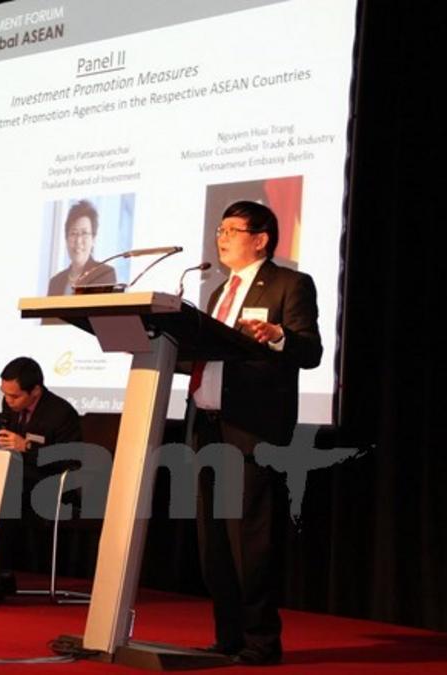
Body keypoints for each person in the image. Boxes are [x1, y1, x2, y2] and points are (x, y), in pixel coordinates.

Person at [187, 201, 322, 665]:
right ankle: (228, 637)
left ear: (261, 239)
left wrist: (278, 334)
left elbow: (310, 351)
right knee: (214, 544)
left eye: (232, 230)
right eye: (219, 229)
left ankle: (261, 641)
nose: (221, 237)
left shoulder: (290, 284)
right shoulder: (217, 291)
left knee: (250, 543)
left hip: (252, 432)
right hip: (208, 428)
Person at [0, 356, 82, 600]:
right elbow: (5, 441)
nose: (8, 401)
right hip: (19, 479)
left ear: (35, 391)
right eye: (5, 395)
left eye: (15, 396)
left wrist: (27, 447)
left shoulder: (61, 413)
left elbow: (69, 460)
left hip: (52, 485)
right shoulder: (10, 405)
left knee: (4, 491)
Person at [46, 200, 116, 296]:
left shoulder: (104, 274)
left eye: (84, 233)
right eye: (73, 233)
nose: (78, 241)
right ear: (66, 239)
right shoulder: (55, 282)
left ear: (93, 239)